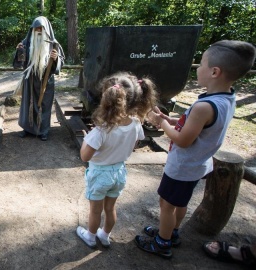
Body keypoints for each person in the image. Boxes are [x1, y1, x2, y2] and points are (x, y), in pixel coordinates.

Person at [135, 40, 256, 259]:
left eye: (201, 64)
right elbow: (197, 125)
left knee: (166, 204)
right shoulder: (226, 98)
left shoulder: (203, 107)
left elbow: (183, 141)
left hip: (182, 165)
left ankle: (163, 242)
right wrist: (169, 119)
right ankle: (171, 231)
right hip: (198, 164)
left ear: (214, 71)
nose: (197, 68)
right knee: (179, 203)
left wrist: (158, 123)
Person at [76, 72, 158, 248]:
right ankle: (105, 235)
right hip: (119, 172)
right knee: (110, 208)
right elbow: (134, 144)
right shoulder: (136, 123)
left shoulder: (101, 131)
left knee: (95, 210)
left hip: (100, 174)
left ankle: (90, 237)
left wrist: (86, 139)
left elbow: (85, 156)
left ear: (106, 99)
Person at [13, 16, 64, 141]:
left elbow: (60, 63)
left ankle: (43, 130)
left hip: (46, 80)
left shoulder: (54, 44)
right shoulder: (26, 42)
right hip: (30, 80)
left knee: (45, 105)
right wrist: (20, 52)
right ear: (32, 29)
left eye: (41, 28)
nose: (39, 31)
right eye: (36, 28)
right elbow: (20, 63)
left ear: (46, 29)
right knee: (28, 104)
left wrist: (56, 58)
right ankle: (27, 128)